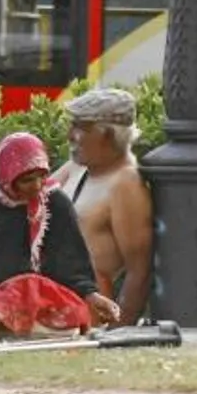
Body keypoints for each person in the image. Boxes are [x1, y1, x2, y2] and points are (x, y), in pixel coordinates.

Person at [0, 132, 119, 341]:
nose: (37, 186)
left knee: (35, 287)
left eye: (41, 177)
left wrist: (92, 296)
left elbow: (73, 263)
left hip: (38, 302)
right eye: (27, 180)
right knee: (27, 284)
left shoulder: (55, 204)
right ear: (8, 177)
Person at [50, 87, 153, 323]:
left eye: (80, 127)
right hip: (44, 291)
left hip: (83, 308)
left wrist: (118, 331)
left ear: (107, 135)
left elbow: (140, 271)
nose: (70, 135)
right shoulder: (76, 168)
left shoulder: (126, 184)